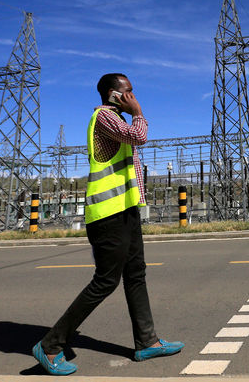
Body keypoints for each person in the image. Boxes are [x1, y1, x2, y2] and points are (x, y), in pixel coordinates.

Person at [33, 73, 183, 375]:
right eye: (128, 91)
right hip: (106, 215)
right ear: (114, 95)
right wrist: (138, 112)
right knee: (106, 281)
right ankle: (50, 345)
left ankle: (147, 341)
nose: (133, 95)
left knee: (136, 274)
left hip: (126, 211)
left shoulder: (117, 120)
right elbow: (138, 136)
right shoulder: (105, 117)